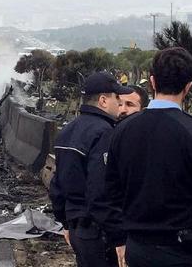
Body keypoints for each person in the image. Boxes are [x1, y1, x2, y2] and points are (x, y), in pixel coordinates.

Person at [105, 47, 192, 267]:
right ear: (188, 86)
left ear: (152, 82)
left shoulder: (121, 130)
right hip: (184, 250)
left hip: (138, 248)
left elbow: (111, 192)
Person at [49, 72, 133, 267]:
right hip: (99, 232)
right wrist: (119, 238)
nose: (119, 105)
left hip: (77, 227)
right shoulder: (104, 133)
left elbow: (57, 184)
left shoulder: (68, 130)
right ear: (104, 100)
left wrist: (65, 222)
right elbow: (101, 192)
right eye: (117, 98)